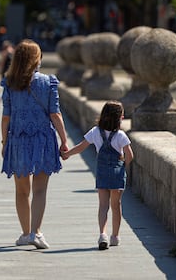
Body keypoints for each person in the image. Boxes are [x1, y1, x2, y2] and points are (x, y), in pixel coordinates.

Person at [0, 39, 69, 249]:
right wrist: (64, 140)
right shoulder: (48, 82)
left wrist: (5, 142)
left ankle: (25, 233)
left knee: (22, 191)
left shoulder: (9, 84)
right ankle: (36, 232)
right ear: (36, 59)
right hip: (43, 139)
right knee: (40, 189)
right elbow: (55, 114)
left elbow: (6, 117)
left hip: (18, 139)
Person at [61, 101, 134, 250]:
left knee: (103, 205)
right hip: (116, 173)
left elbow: (81, 147)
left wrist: (67, 154)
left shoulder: (95, 132)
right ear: (120, 118)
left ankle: (103, 234)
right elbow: (130, 155)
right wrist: (123, 164)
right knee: (116, 205)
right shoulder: (121, 135)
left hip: (101, 173)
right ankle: (115, 236)